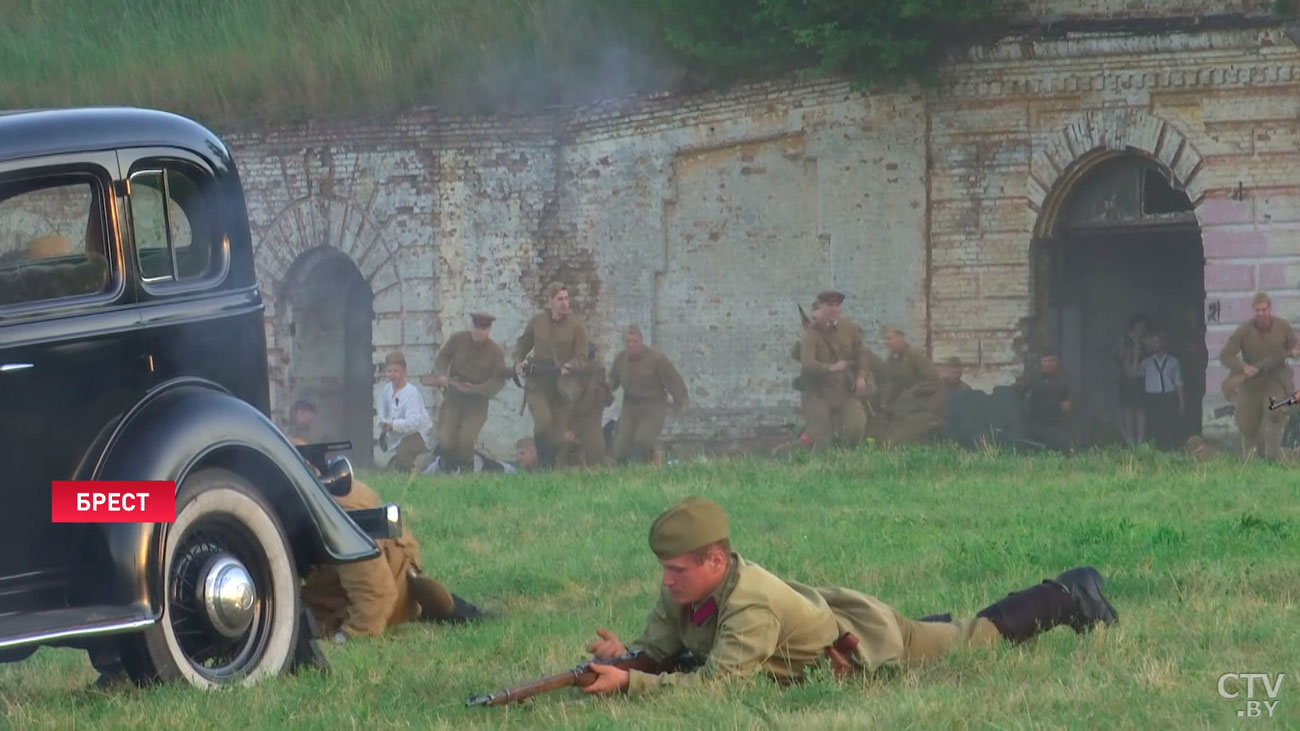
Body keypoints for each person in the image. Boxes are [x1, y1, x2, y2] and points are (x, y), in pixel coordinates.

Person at [579, 497, 1118, 696]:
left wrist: (631, 682)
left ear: (715, 561)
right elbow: (663, 648)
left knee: (969, 641)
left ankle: (1069, 593)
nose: (667, 580)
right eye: (665, 570)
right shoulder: (686, 589)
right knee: (940, 635)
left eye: (677, 569)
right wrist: (626, 657)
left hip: (861, 644)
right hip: (831, 618)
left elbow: (714, 689)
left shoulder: (749, 602)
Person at [300, 464, 493, 640]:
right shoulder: (322, 494)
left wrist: (346, 636)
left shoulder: (338, 513)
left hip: (377, 589)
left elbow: (375, 594)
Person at [513, 282, 588, 469]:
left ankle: (552, 468)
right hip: (538, 382)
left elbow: (582, 356)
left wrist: (570, 365)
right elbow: (523, 344)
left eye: (566, 298)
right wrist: (518, 362)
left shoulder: (576, 326)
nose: (564, 303)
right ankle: (543, 467)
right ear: (550, 302)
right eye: (559, 299)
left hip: (562, 385)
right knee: (543, 423)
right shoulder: (537, 322)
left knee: (556, 434)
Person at [423, 312, 508, 474]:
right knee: (446, 439)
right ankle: (446, 469)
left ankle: (467, 471)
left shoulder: (495, 352)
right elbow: (442, 357)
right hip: (454, 397)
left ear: (489, 329)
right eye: (476, 327)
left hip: (477, 402)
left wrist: (479, 388)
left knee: (466, 439)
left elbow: (498, 380)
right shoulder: (458, 340)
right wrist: (442, 375)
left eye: (483, 328)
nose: (479, 332)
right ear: (471, 326)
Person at [1218, 291, 1296, 459]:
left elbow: (1294, 346)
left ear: (1270, 309)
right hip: (1251, 383)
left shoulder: (1283, 327)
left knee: (1275, 413)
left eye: (1264, 309)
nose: (1261, 314)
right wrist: (1243, 367)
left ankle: (1272, 460)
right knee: (1248, 425)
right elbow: (1225, 355)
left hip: (1275, 379)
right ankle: (1250, 463)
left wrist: (1294, 352)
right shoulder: (1244, 331)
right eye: (1257, 310)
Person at [798, 291, 871, 450]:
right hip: (820, 394)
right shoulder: (812, 333)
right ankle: (820, 467)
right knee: (822, 442)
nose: (834, 309)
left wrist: (861, 377)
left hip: (845, 390)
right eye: (829, 305)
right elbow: (807, 363)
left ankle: (847, 461)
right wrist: (829, 368)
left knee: (856, 427)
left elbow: (862, 353)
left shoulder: (849, 328)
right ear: (822, 307)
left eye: (837, 305)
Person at [610, 325, 689, 464]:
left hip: (652, 406)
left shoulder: (655, 359)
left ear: (641, 341)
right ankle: (623, 473)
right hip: (630, 406)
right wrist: (602, 395)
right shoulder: (621, 359)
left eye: (635, 341)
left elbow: (672, 379)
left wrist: (679, 399)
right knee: (620, 449)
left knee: (642, 441)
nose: (631, 345)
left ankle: (650, 463)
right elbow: (612, 381)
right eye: (628, 341)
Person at [375, 351, 433, 472]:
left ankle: (419, 474)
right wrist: (384, 425)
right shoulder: (386, 391)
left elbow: (414, 423)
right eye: (389, 371)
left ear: (404, 372)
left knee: (403, 460)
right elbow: (382, 412)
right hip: (397, 437)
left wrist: (394, 425)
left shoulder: (412, 393)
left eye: (396, 371)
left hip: (416, 435)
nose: (392, 374)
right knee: (392, 468)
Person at [566, 343, 615, 468]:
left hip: (586, 425)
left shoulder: (592, 377)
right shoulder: (593, 374)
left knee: (595, 461)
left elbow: (577, 402)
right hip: (584, 426)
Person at [1137, 333, 1184, 450]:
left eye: (1157, 341)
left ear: (1163, 343)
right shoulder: (1146, 362)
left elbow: (1178, 383)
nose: (1154, 345)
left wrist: (1182, 403)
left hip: (1168, 397)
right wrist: (1136, 353)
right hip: (1152, 398)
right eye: (1152, 342)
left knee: (1169, 425)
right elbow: (1135, 374)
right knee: (1153, 425)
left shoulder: (1174, 361)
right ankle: (1154, 449)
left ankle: (1170, 448)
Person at [1016, 353, 1072, 451]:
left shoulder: (1063, 379)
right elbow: (1023, 395)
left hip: (1056, 422)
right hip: (1036, 422)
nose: (1048, 364)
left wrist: (1068, 402)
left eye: (1051, 361)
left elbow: (1070, 396)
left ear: (1057, 362)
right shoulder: (1034, 379)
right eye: (1045, 361)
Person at [1113, 315, 1150, 446]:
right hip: (1127, 378)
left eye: (1143, 325)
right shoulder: (1126, 339)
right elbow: (1120, 355)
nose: (1141, 328)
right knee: (1128, 408)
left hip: (1142, 379)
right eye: (1139, 325)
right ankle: (1130, 439)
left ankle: (1141, 439)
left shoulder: (1146, 339)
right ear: (1133, 325)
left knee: (1141, 409)